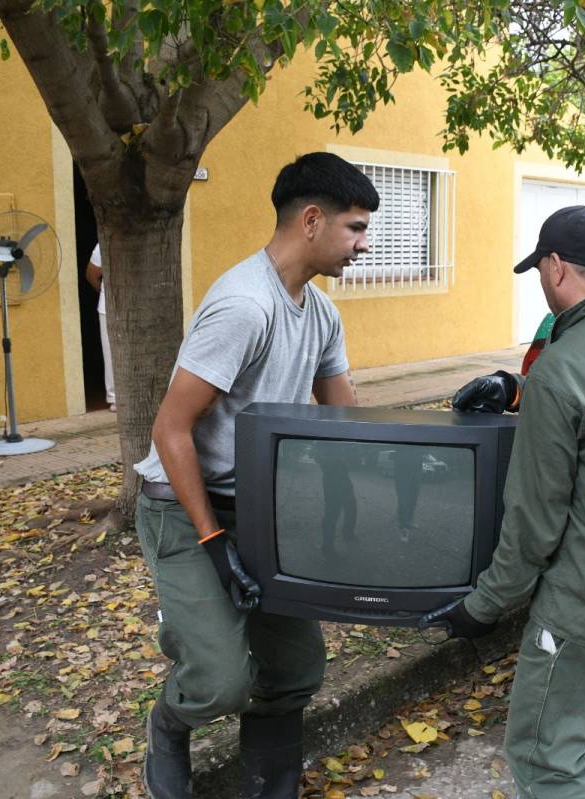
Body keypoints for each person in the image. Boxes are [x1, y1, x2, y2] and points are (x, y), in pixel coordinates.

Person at [132, 152, 378, 799]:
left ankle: (268, 784)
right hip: (183, 509)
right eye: (355, 227)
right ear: (312, 220)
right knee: (220, 680)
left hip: (261, 511)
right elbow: (170, 429)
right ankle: (169, 722)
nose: (364, 243)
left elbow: (343, 415)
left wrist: (379, 479)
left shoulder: (321, 314)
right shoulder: (245, 304)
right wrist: (213, 543)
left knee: (295, 668)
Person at [425, 205, 585, 798]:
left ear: (556, 267)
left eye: (540, 273)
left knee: (545, 761)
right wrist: (520, 391)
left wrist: (482, 608)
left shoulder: (563, 370)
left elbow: (533, 526)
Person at [84, 243, 115, 411]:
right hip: (108, 306)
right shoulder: (102, 245)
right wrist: (105, 293)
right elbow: (91, 275)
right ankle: (114, 397)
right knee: (110, 351)